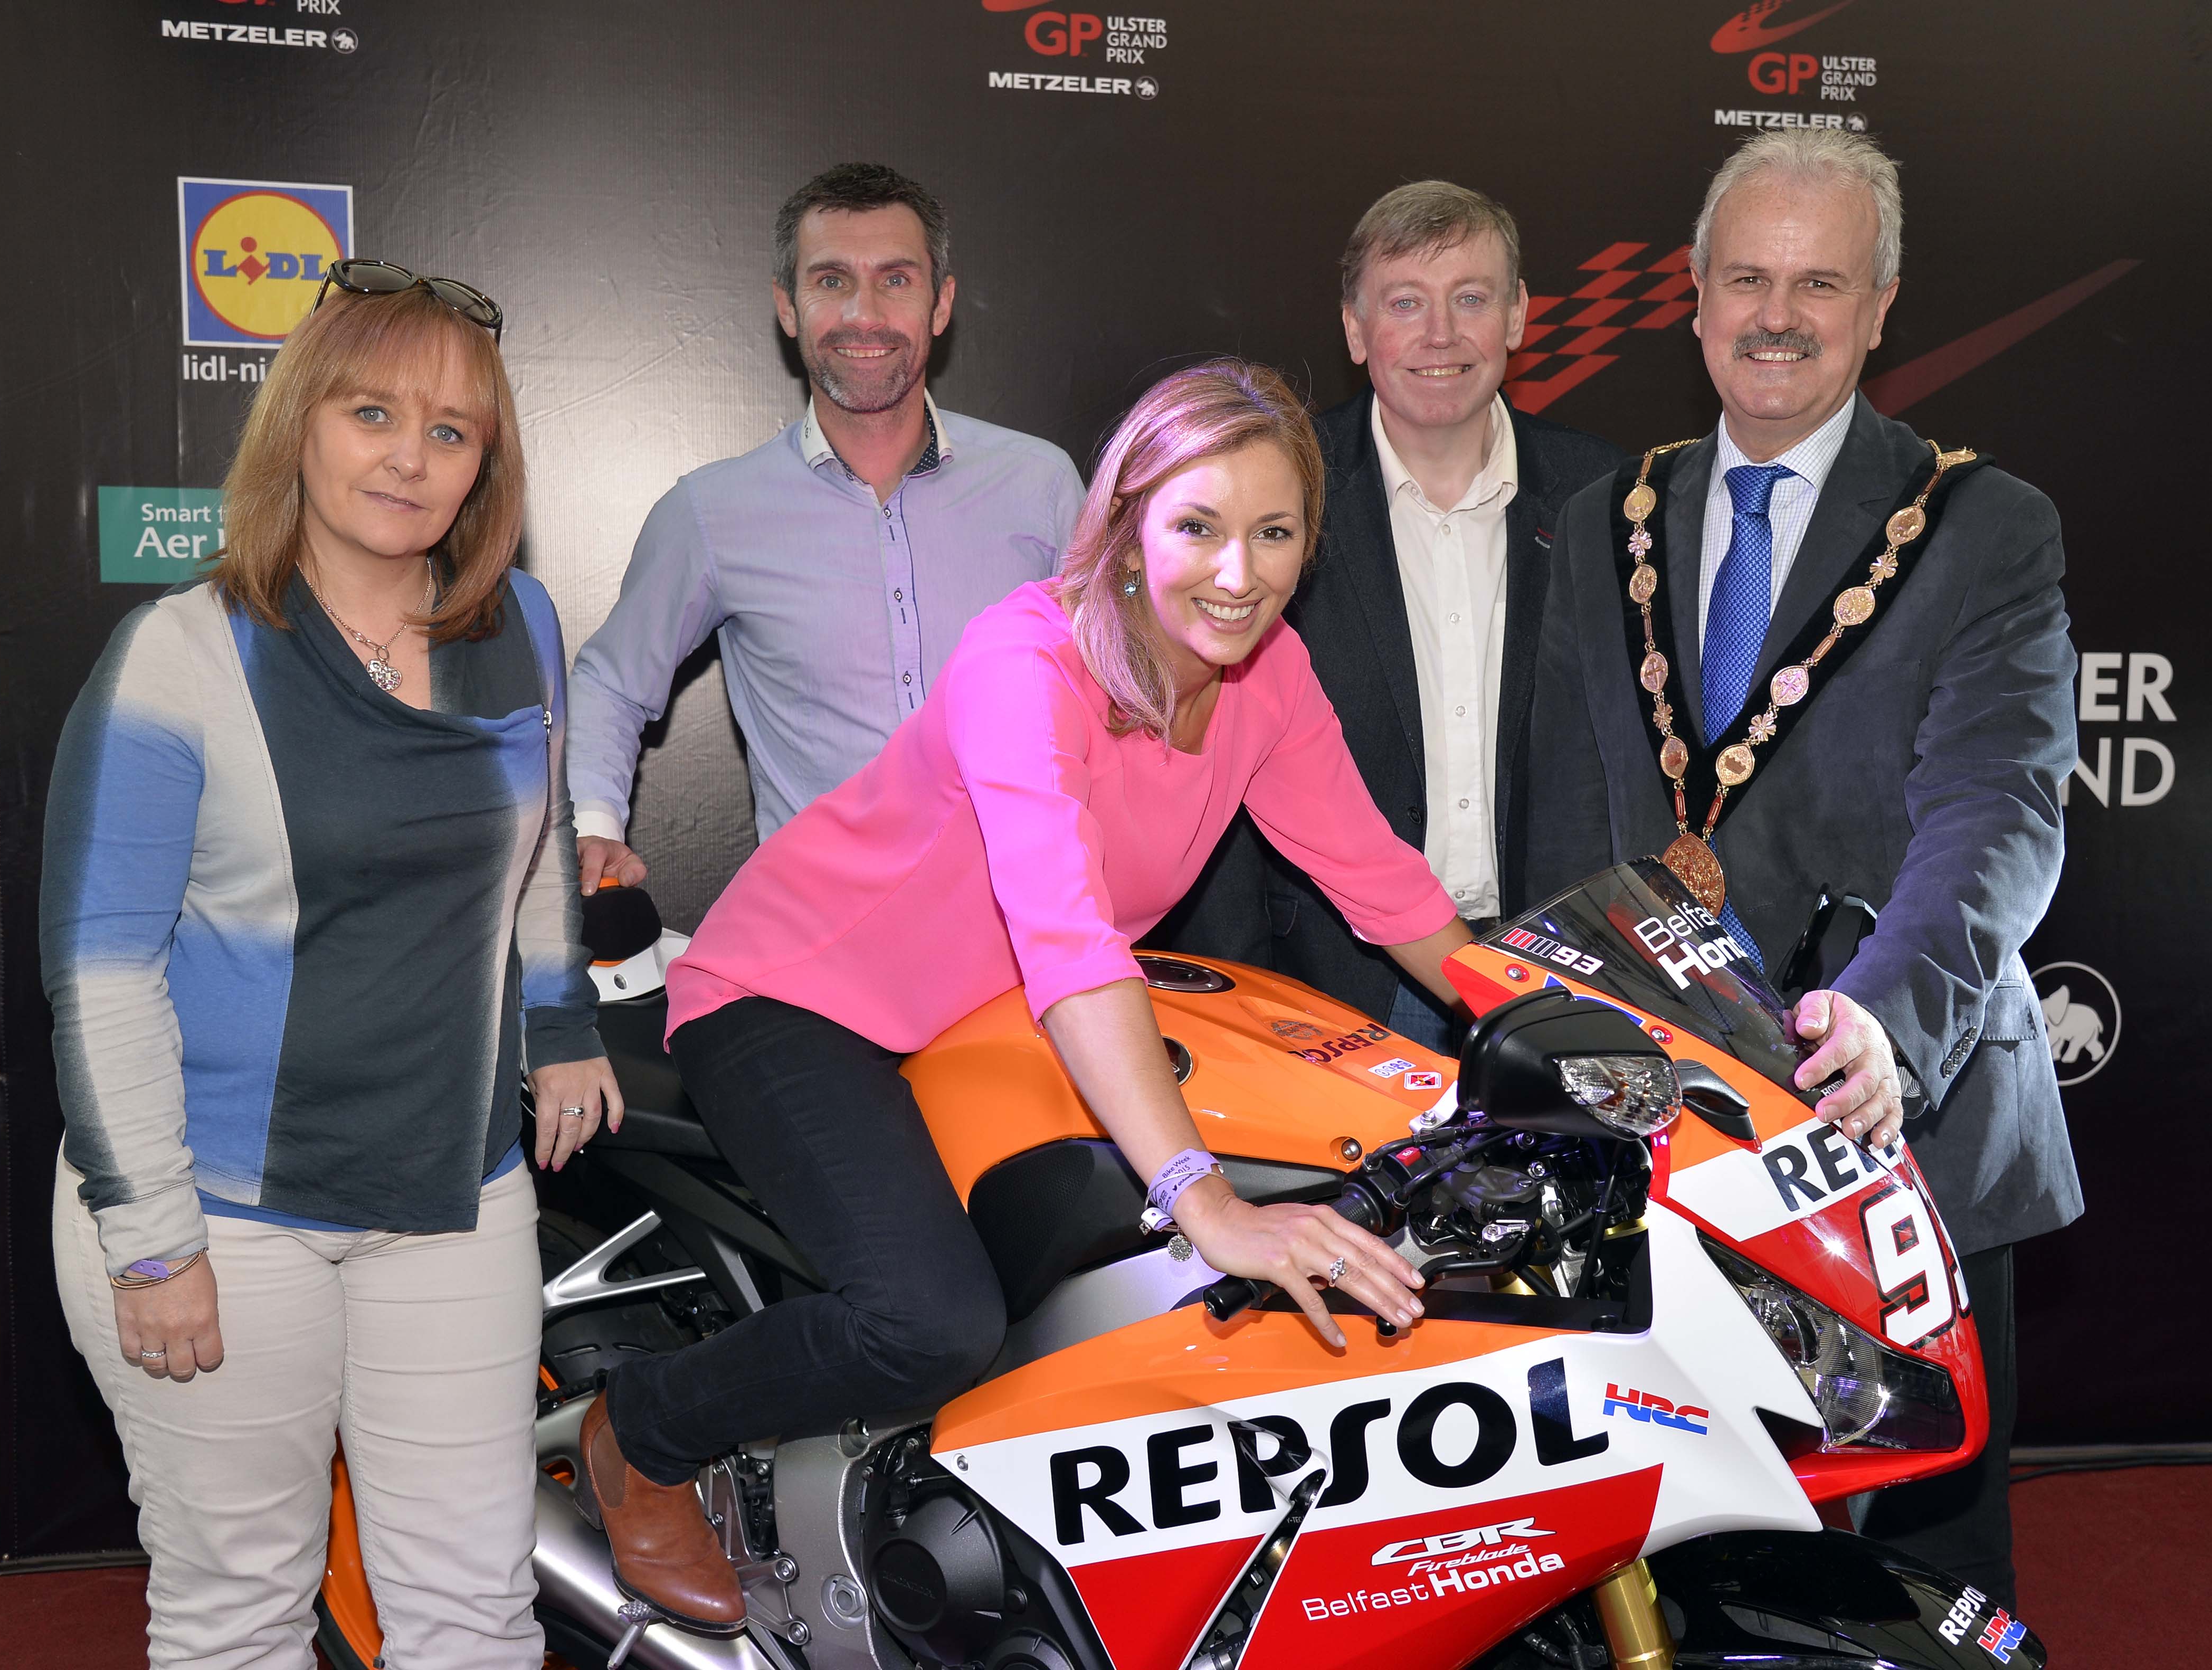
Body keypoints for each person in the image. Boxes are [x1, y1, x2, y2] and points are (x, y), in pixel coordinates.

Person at [573, 360, 1470, 1630]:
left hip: (977, 1024)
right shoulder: (1027, 657)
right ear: (1124, 523)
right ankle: (645, 1431)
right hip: (796, 998)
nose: (1238, 571)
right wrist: (1198, 1196)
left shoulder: (1265, 677)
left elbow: (1380, 881)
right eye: (1197, 526)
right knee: (931, 1320)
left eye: (1274, 533)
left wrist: (1564, 1020)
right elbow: (1067, 937)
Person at [1525, 130, 2081, 1604]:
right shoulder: (1603, 521)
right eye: (1749, 277)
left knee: (1922, 1568)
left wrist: (1889, 1023)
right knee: (1699, 1557)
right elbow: (1574, 825)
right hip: (1678, 1133)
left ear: (1881, 303)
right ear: (1695, 298)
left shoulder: (1985, 527)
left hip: (1905, 1123)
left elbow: (1995, 809)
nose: (1779, 315)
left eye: (1819, 281)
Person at [40, 264, 619, 1669]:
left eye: (450, 431)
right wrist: (156, 1238)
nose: (408, 458)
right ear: (302, 418)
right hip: (222, 1212)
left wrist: (560, 1021)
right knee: (241, 1609)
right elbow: (99, 970)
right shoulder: (179, 657)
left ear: (487, 463)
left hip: (454, 1190)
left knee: (473, 1609)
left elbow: (535, 853)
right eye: (373, 412)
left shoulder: (523, 626)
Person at [1151, 182, 1621, 1050]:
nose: (1440, 334)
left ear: (1518, 315)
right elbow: (1203, 748)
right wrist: (1239, 1000)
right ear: (1356, 329)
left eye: (1471, 299)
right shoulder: (1277, 492)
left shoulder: (1607, 498)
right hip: (1330, 985)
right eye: (1405, 303)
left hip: (1553, 969)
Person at [568, 163, 1085, 892]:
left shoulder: (1041, 485)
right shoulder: (713, 513)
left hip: (1021, 928)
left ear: (942, 305)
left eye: (896, 280)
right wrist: (594, 826)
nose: (864, 315)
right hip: (817, 940)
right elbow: (613, 683)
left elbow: (1118, 686)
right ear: (788, 307)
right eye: (832, 281)